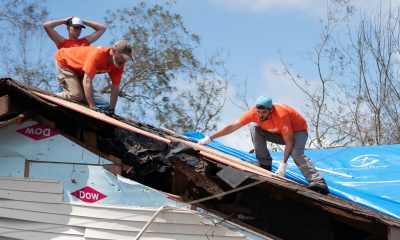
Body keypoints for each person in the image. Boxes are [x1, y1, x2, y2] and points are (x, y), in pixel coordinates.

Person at [197, 96, 329, 194]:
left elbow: (289, 141)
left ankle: (318, 181)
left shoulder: (281, 115)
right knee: (255, 128)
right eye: (258, 112)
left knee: (296, 153)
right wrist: (210, 138)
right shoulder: (253, 113)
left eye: (264, 113)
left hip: (297, 132)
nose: (261, 115)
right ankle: (264, 163)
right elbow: (232, 127)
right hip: (279, 133)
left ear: (270, 110)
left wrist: (283, 164)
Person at [55, 40, 133, 114]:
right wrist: (93, 107)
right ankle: (52, 97)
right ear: (113, 51)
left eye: (127, 58)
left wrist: (111, 110)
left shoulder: (119, 65)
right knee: (76, 96)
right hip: (64, 62)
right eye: (122, 56)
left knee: (104, 106)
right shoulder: (98, 55)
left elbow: (115, 87)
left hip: (80, 71)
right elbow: (87, 81)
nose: (123, 61)